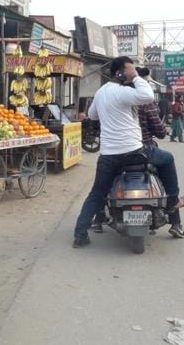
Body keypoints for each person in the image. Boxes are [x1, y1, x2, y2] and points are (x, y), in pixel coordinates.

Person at [90, 67, 184, 238]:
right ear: (140, 81)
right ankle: (174, 220)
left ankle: (98, 218)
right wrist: (161, 131)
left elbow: (96, 119)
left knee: (104, 182)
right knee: (165, 174)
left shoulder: (112, 97)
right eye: (147, 82)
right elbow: (159, 130)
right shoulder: (144, 103)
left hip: (115, 151)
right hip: (142, 149)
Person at [73, 57, 151, 247]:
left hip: (109, 155)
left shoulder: (101, 93)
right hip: (134, 152)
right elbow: (148, 96)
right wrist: (137, 78)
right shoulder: (123, 92)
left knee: (97, 193)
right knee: (167, 160)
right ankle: (172, 202)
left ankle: (80, 235)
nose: (133, 73)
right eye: (130, 70)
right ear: (121, 73)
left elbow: (92, 115)